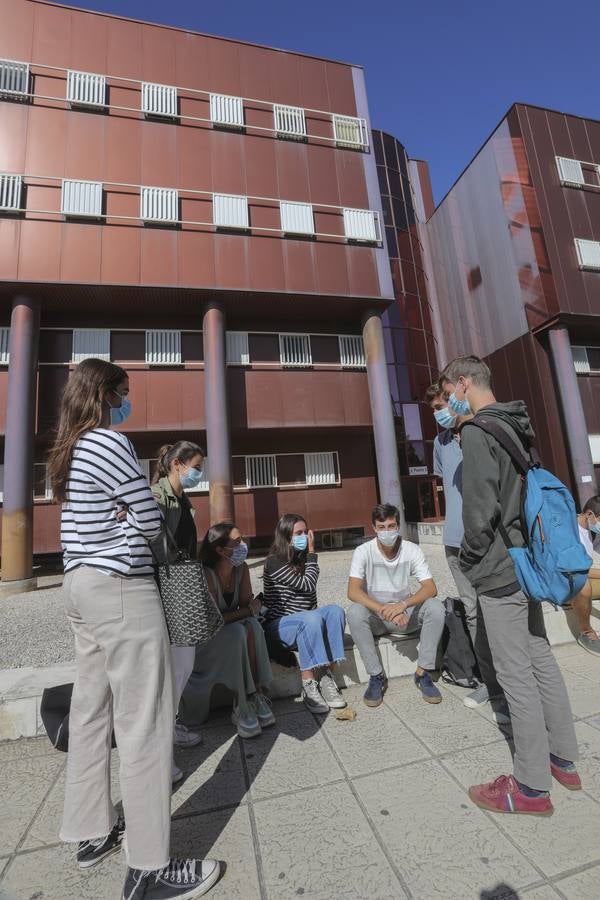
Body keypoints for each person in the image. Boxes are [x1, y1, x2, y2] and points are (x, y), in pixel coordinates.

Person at [48, 358, 220, 900]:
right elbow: (149, 520)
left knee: (91, 712)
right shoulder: (109, 442)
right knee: (144, 722)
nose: (128, 403)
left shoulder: (69, 447)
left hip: (79, 585)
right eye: (123, 393)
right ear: (104, 394)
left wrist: (124, 515)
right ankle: (150, 867)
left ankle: (90, 831)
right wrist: (130, 517)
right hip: (122, 588)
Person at [441, 354, 580, 816]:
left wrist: (471, 558)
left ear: (463, 384)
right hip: (528, 561)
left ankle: (531, 788)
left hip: (500, 568)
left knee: (515, 673)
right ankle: (563, 759)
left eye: (448, 394)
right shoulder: (518, 423)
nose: (447, 404)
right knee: (541, 658)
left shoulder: (478, 431)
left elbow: (480, 512)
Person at [427, 383, 507, 721]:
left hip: (487, 541)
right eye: (433, 409)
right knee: (473, 611)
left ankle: (507, 684)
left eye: (442, 405)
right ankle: (489, 682)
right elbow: (444, 485)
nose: (438, 413)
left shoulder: (481, 432)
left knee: (497, 610)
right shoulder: (439, 443)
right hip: (454, 543)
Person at [182, 522, 275, 739]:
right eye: (237, 542)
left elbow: (248, 608)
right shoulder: (206, 574)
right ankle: (240, 703)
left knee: (252, 626)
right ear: (220, 550)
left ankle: (256, 695)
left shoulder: (241, 569)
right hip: (207, 643)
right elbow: (214, 621)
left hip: (233, 632)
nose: (244, 545)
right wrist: (245, 612)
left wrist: (246, 611)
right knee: (239, 631)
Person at [347, 503, 445, 706]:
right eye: (381, 527)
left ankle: (423, 672)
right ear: (374, 528)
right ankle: (376, 676)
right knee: (355, 612)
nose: (386, 531)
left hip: (405, 616)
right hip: (378, 617)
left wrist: (402, 605)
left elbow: (430, 588)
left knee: (435, 607)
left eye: (391, 526)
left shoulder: (412, 550)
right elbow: (353, 591)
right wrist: (387, 610)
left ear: (398, 526)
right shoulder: (363, 551)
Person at [150, 441, 206, 783]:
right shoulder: (157, 498)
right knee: (167, 674)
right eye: (196, 466)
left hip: (180, 590)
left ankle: (170, 729)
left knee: (183, 664)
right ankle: (160, 759)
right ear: (177, 464)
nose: (199, 473)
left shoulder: (182, 498)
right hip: (162, 591)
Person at [262, 514, 347, 714]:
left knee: (335, 611)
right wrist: (312, 553)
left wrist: (307, 558)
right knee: (311, 617)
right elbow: (308, 585)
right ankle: (309, 685)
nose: (305, 537)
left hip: (307, 623)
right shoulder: (274, 562)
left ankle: (326, 675)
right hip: (279, 627)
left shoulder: (301, 560)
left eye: (305, 532)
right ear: (285, 537)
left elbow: (310, 600)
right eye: (298, 533)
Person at [571, 494, 600, 654]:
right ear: (590, 514)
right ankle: (586, 632)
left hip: (582, 574)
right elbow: (578, 569)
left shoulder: (589, 529)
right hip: (570, 578)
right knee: (584, 584)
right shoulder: (571, 531)